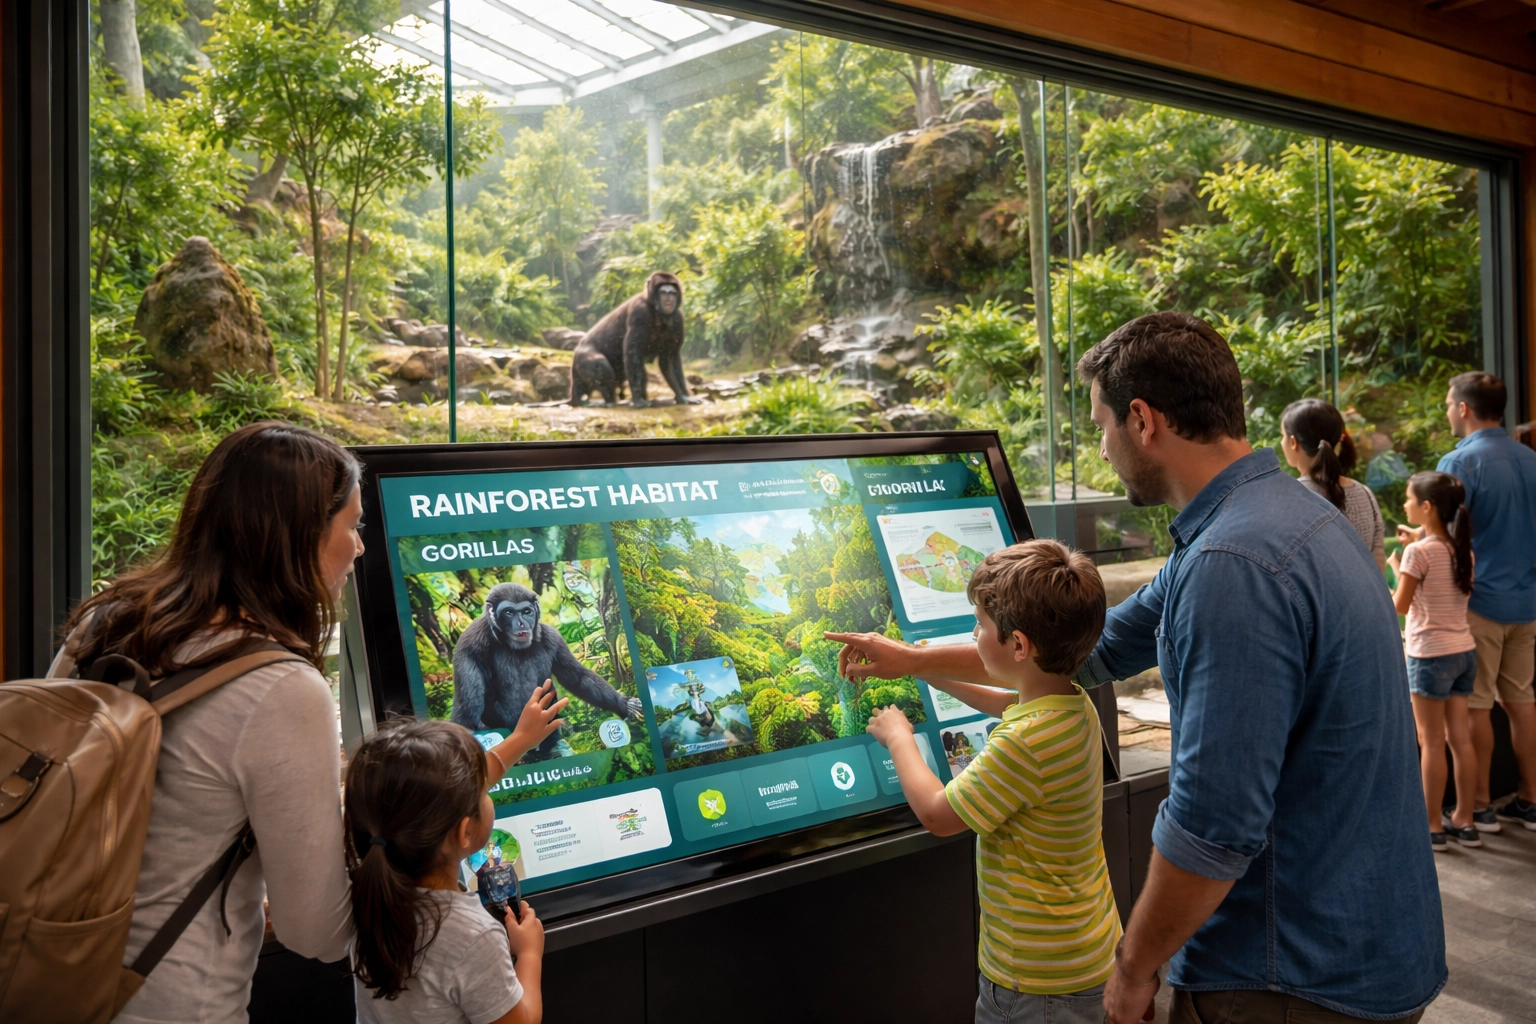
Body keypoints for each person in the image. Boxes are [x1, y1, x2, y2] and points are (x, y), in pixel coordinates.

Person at [829, 313, 1443, 1024]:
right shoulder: (1275, 521)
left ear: (1143, 420)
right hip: (1370, 937)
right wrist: (911, 660)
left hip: (1291, 971)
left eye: (1100, 426)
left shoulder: (1228, 567)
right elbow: (1086, 650)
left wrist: (1135, 965)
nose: (1101, 448)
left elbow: (1213, 823)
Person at [49, 423, 365, 1022]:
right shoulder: (280, 688)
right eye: (351, 525)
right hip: (167, 1000)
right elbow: (316, 931)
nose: (359, 547)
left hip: (48, 972)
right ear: (299, 539)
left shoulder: (109, 621)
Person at [859, 540, 1119, 1024]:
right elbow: (1005, 703)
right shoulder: (1070, 704)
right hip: (1084, 950)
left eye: (979, 624)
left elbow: (939, 815)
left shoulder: (1023, 743)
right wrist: (927, 669)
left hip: (1036, 982)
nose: (972, 633)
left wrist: (900, 739)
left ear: (1019, 645)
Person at [345, 718, 546, 1024]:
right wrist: (529, 954)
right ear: (464, 832)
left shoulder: (365, 894)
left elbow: (435, 800)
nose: (487, 791)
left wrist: (521, 738)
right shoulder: (472, 937)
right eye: (483, 792)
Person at [1431, 372, 1536, 831]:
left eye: (1450, 403)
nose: (1448, 411)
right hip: (1528, 601)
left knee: (1475, 704)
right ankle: (1531, 798)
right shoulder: (1531, 459)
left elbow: (1450, 538)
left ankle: (1478, 804)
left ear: (1465, 409)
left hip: (1481, 603)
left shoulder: (1459, 464)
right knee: (1521, 700)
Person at [1388, 472, 1480, 851]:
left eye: (1410, 500)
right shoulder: (1462, 550)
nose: (1406, 506)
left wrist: (1398, 568)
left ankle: (1432, 827)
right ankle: (1465, 819)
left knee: (1430, 742)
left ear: (1426, 508)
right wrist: (1416, 544)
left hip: (1430, 656)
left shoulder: (1417, 553)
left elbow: (1400, 606)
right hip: (1464, 651)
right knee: (1460, 740)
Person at [1280, 397, 1386, 570]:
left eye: (1282, 436)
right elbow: (1378, 562)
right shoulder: (1365, 494)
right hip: (1364, 596)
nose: (1281, 442)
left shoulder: (1290, 497)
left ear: (1293, 442)